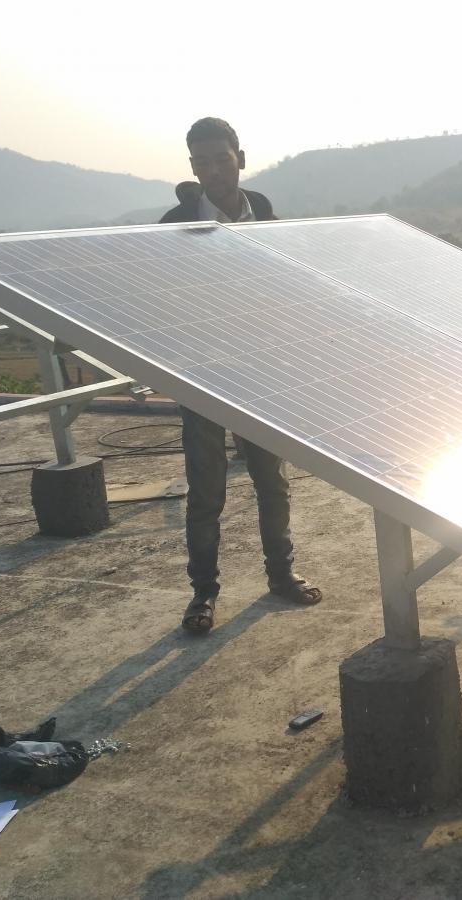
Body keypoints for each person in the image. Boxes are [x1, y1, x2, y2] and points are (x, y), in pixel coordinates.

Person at [160, 117, 321, 634]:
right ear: (192, 168)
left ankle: (281, 574)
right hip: (204, 375)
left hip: (264, 372)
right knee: (207, 492)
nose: (212, 171)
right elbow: (159, 302)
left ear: (240, 159)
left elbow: (288, 293)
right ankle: (203, 594)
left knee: (271, 483)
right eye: (201, 162)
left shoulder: (269, 219)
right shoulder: (172, 226)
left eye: (221, 159)